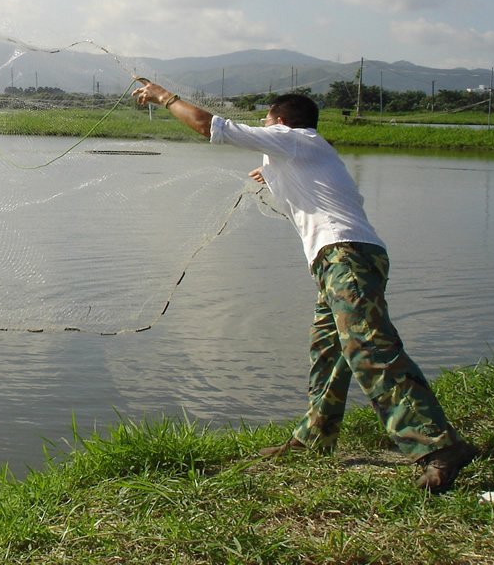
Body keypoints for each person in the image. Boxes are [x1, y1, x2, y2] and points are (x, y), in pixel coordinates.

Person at [132, 79, 476, 494]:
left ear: (280, 122)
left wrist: (163, 97)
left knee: (368, 347)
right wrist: (273, 174)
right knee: (328, 351)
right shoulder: (303, 152)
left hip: (346, 257)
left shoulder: (295, 140)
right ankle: (314, 437)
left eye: (266, 119)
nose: (263, 125)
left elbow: (209, 125)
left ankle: (439, 446)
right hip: (340, 260)